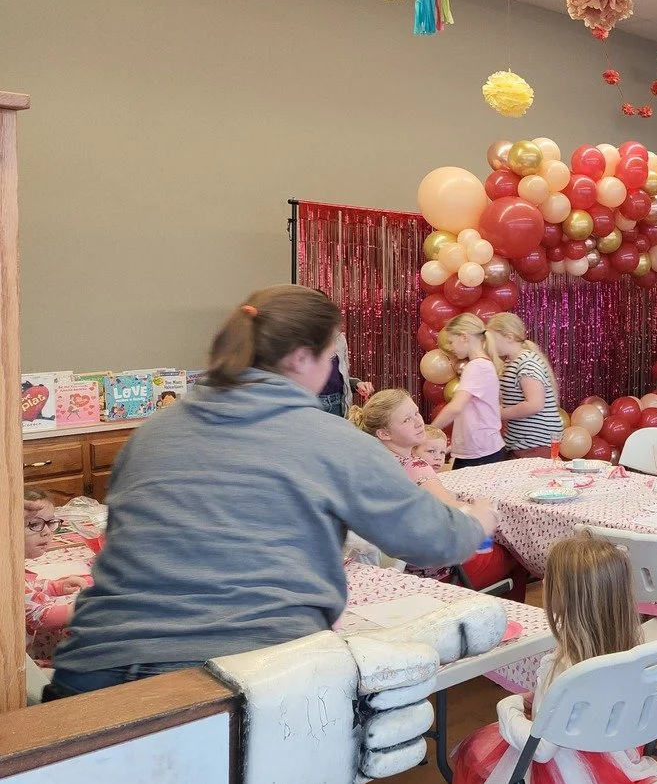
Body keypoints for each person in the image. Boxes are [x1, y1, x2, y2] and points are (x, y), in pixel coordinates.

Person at [49, 286, 495, 699]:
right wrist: (477, 523)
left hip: (90, 673)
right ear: (302, 358)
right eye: (330, 360)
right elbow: (433, 539)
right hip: (235, 677)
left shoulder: (151, 434)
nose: (331, 372)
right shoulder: (330, 440)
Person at [450, 533, 657, 784]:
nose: (543, 584)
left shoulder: (564, 668)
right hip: (614, 755)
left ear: (566, 597)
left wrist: (507, 708)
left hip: (562, 773)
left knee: (475, 752)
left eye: (549, 579)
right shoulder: (632, 653)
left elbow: (541, 749)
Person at [353, 389, 531, 599]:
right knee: (518, 555)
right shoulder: (415, 467)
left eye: (417, 413)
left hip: (385, 566)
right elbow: (454, 513)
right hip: (428, 574)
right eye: (407, 420)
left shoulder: (367, 463)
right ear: (384, 433)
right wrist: (480, 511)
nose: (419, 422)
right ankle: (510, 624)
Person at [433, 313, 508, 468]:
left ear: (464, 337)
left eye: (451, 342)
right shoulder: (481, 365)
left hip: (481, 451)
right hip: (479, 448)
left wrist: (429, 431)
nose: (451, 347)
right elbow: (476, 412)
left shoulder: (477, 367)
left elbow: (456, 407)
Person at [23, 491, 88, 664]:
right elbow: (43, 617)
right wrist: (82, 607)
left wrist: (55, 587)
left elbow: (30, 586)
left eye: (50, 523)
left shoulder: (13, 569)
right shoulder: (6, 579)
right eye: (34, 524)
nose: (46, 533)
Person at [486, 313, 563, 458]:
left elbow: (535, 404)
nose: (490, 345)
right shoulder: (511, 362)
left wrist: (498, 413)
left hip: (536, 442)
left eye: (493, 339)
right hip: (522, 442)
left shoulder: (527, 362)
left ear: (509, 337)